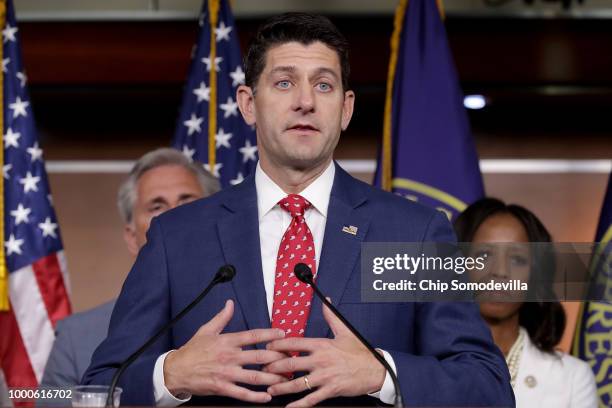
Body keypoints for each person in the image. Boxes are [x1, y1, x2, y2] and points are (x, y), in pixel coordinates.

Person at [84, 13, 514, 407]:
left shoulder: (412, 233)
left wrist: (382, 373)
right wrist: (171, 374)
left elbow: (488, 387)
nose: (305, 101)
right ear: (248, 104)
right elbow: (96, 388)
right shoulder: (177, 237)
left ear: (345, 109)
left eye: (323, 84)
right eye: (285, 83)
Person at [39, 148, 219, 395]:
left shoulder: (256, 319)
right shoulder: (75, 339)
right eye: (157, 206)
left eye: (187, 202)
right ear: (131, 237)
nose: (174, 217)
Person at [454, 198, 597, 408]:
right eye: (484, 255)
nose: (500, 272)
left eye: (517, 259)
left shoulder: (573, 377)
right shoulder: (415, 365)